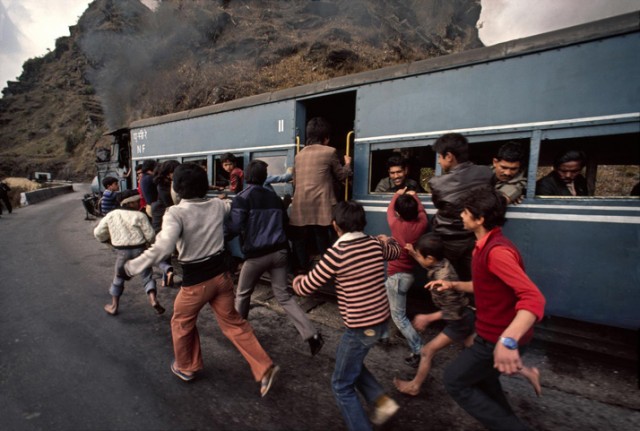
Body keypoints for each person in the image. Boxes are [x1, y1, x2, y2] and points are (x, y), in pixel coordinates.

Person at [124, 163, 279, 396]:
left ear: (176, 188)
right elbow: (232, 203)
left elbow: (163, 247)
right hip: (222, 278)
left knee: (181, 323)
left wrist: (132, 266)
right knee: (234, 325)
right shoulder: (217, 205)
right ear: (204, 186)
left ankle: (186, 367)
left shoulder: (175, 213)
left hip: (196, 284)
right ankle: (264, 367)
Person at [430, 187, 545, 430]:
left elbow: (534, 298)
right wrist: (452, 284)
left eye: (465, 212)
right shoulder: (484, 245)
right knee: (485, 382)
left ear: (479, 219)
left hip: (496, 338)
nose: (461, 215)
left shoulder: (497, 252)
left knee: (454, 380)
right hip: (491, 334)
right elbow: (484, 285)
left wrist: (508, 341)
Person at [293, 200, 402, 430]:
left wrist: (297, 280)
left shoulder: (337, 253)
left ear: (335, 226)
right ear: (363, 222)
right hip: (382, 320)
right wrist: (387, 239)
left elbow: (306, 288)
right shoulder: (374, 244)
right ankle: (382, 402)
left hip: (361, 326)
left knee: (341, 384)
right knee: (352, 364)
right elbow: (396, 251)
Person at [226, 160, 324, 356]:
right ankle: (311, 334)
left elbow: (235, 228)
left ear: (246, 176)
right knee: (284, 296)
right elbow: (285, 223)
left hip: (256, 256)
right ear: (264, 177)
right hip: (279, 253)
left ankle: (240, 335)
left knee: (243, 294)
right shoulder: (274, 198)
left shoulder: (242, 198)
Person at [289, 117, 352, 273]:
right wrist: (348, 162)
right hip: (322, 203)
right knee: (322, 236)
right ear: (326, 138)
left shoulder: (299, 155)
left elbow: (295, 182)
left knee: (301, 239)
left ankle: (303, 268)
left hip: (301, 203)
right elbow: (342, 175)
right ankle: (327, 268)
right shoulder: (330, 151)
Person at [428, 133, 493, 281]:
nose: (438, 161)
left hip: (449, 240)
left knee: (448, 280)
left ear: (449, 156)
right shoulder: (486, 173)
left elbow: (439, 204)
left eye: (439, 157)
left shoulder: (437, 183)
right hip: (475, 237)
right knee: (474, 279)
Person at [93, 194, 165, 316]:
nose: (138, 203)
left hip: (122, 252)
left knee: (119, 277)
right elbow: (151, 235)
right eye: (136, 201)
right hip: (140, 249)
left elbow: (98, 233)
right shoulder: (140, 215)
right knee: (147, 276)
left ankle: (114, 306)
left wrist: (108, 241)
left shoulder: (112, 215)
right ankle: (153, 300)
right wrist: (150, 244)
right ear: (129, 203)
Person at [384, 188, 428, 368]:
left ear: (399, 213)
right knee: (387, 304)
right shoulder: (422, 224)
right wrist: (414, 195)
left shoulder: (396, 225)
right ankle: (382, 336)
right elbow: (422, 212)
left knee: (399, 317)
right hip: (408, 275)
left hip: (396, 276)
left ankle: (419, 349)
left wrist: (397, 194)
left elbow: (389, 209)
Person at [151, 160, 181, 287]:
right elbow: (169, 204)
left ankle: (167, 276)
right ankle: (167, 275)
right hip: (161, 215)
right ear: (168, 173)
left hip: (166, 214)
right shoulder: (162, 186)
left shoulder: (167, 183)